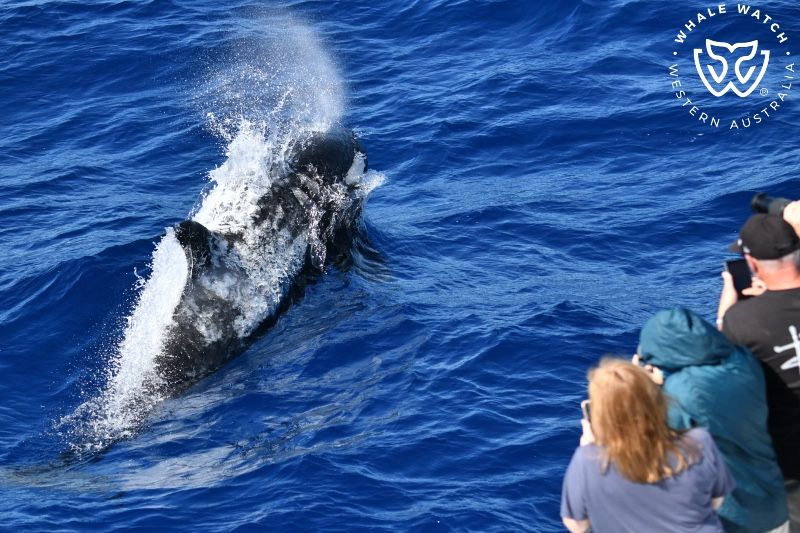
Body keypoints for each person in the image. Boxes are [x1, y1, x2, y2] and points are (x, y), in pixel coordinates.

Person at [637, 307, 789, 533]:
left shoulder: (683, 391)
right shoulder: (744, 361)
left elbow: (654, 442)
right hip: (774, 503)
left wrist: (645, 387)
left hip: (734, 516)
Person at [561, 358, 735, 533]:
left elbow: (577, 526)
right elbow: (716, 501)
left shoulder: (587, 460)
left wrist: (591, 449)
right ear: (658, 402)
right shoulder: (700, 442)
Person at [717, 212, 800, 481]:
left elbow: (720, 380)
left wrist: (726, 315)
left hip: (789, 464)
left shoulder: (742, 320)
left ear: (751, 262)